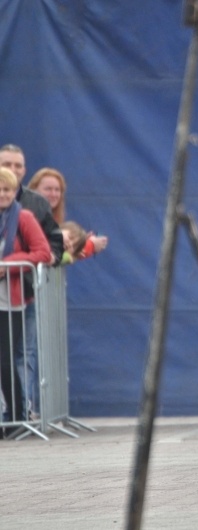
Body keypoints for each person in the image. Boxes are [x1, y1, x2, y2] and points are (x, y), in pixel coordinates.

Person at [0, 144, 64, 419]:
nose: (13, 170)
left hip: (21, 291)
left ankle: (17, 412)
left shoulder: (31, 207)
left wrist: (10, 263)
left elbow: (49, 246)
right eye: (7, 164)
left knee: (20, 354)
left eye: (18, 165)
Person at [28, 167, 109, 258]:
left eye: (57, 190)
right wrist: (88, 246)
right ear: (33, 190)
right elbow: (46, 255)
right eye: (48, 189)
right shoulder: (28, 217)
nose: (53, 194)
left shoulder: (51, 220)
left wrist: (79, 243)